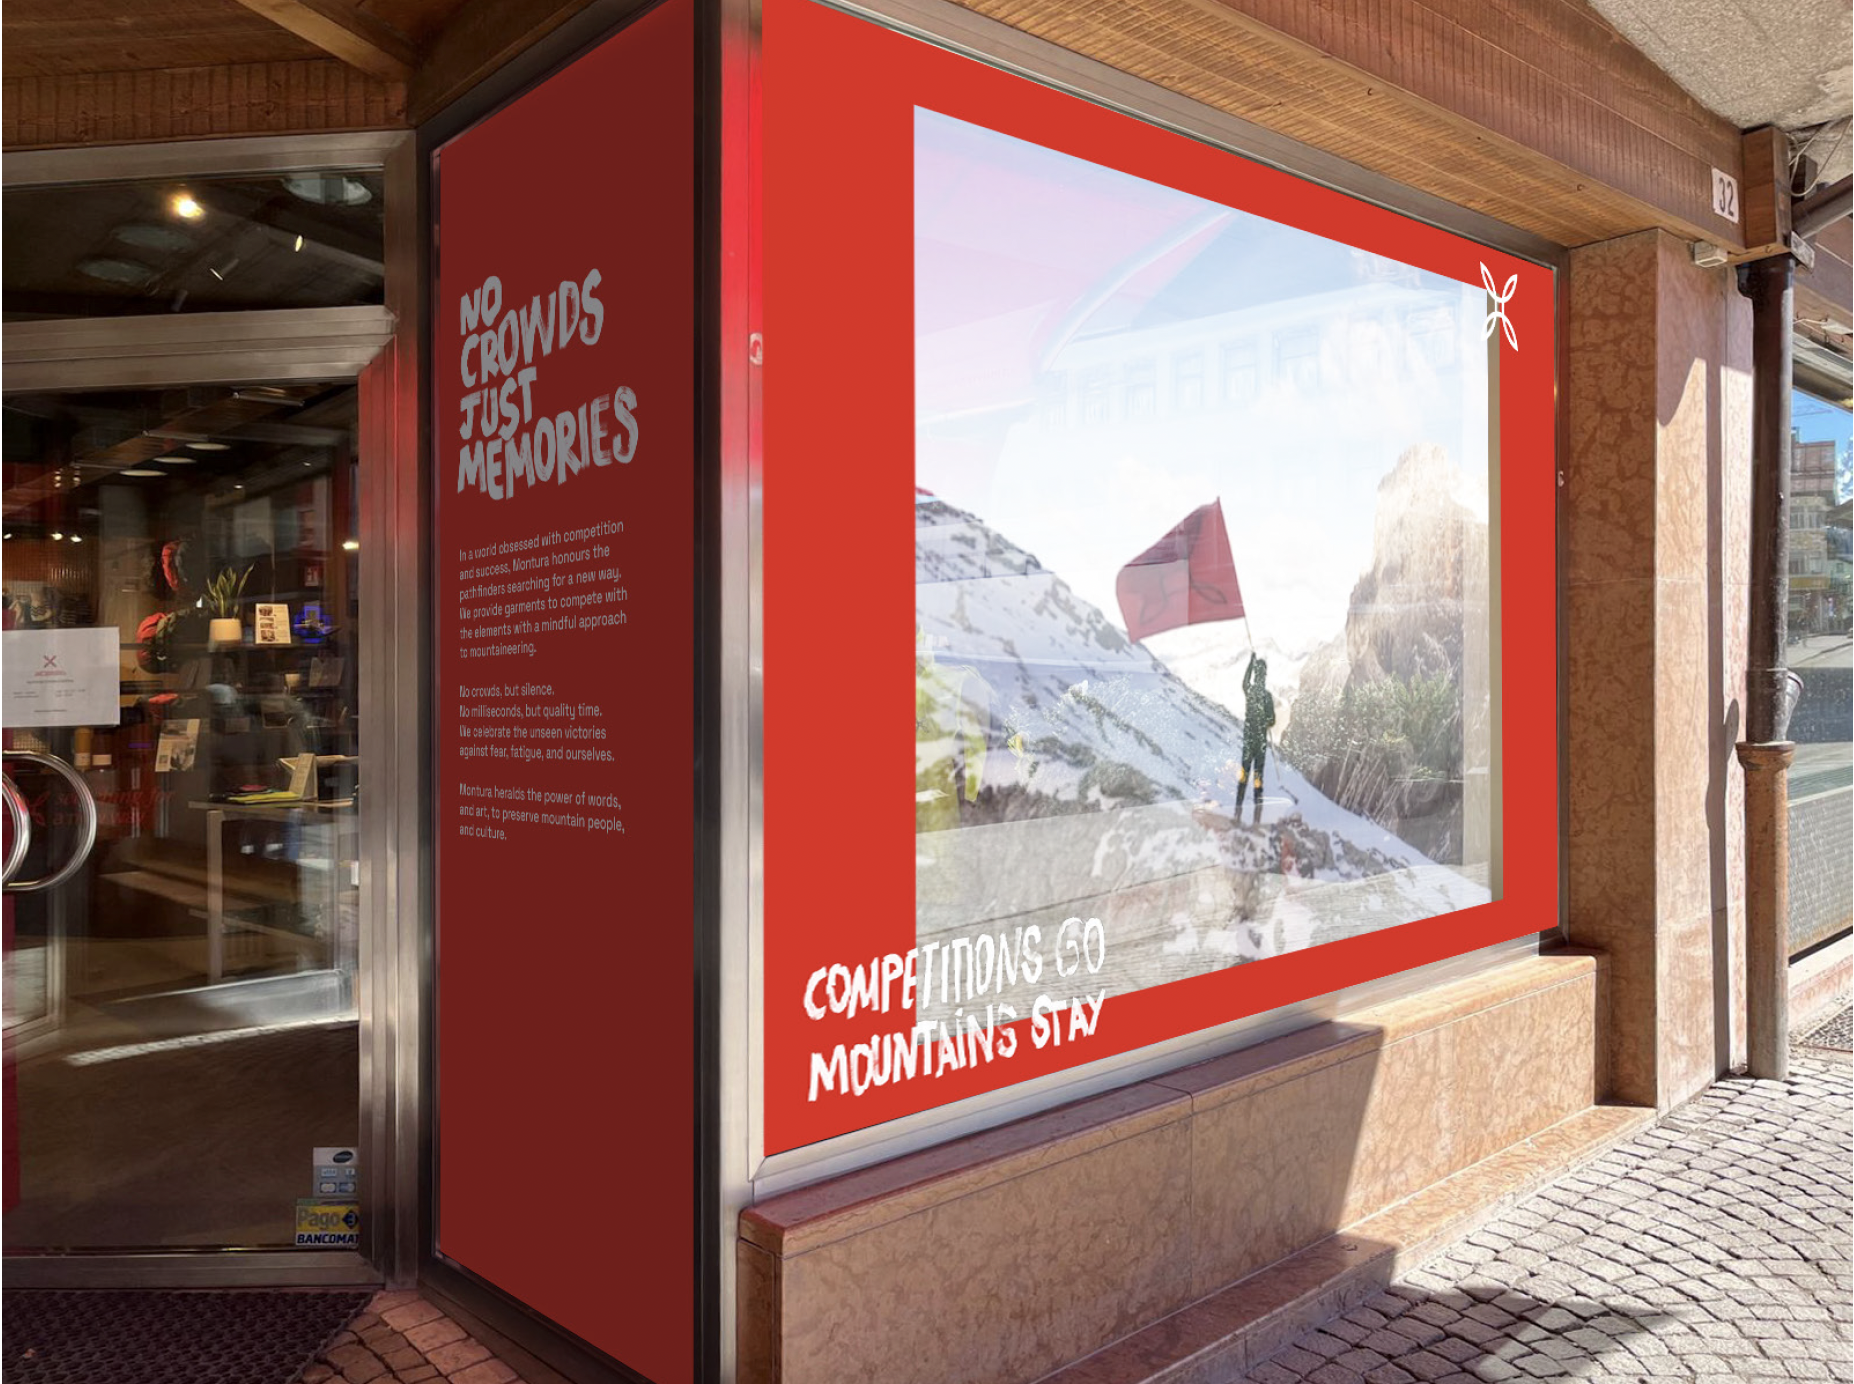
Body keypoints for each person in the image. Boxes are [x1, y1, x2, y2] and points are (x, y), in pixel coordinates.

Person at [1235, 652, 1275, 811]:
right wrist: (1265, 720)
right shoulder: (1267, 696)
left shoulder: (1251, 691)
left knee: (1244, 773)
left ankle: (1238, 806)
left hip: (1250, 741)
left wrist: (1250, 664)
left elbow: (1244, 683)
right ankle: (1257, 808)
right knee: (1258, 775)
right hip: (1260, 744)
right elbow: (1272, 720)